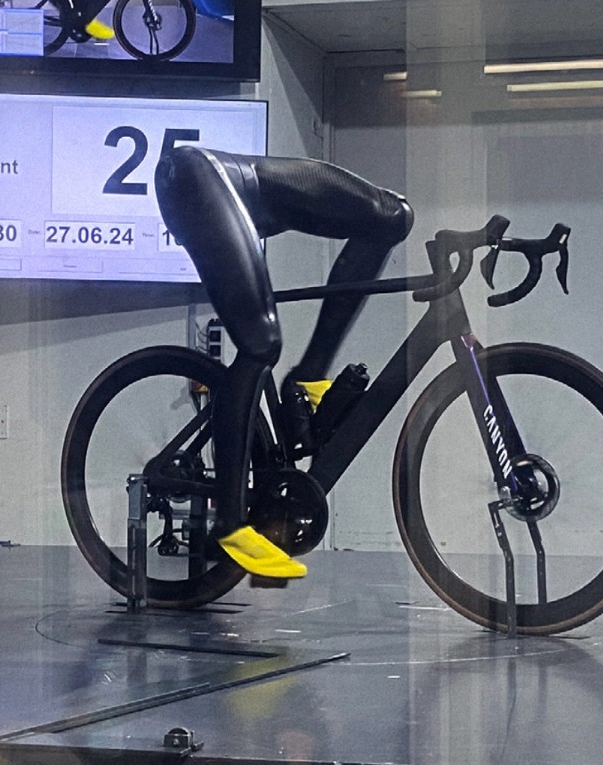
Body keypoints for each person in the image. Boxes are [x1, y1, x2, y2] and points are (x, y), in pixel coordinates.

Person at [155, 147, 413, 579]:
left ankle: (309, 376)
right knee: (260, 345)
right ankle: (230, 523)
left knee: (393, 217)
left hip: (240, 187)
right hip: (195, 180)